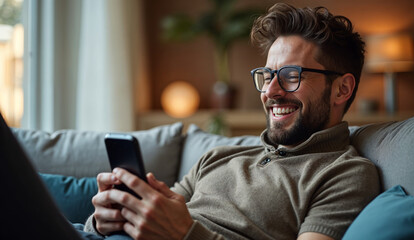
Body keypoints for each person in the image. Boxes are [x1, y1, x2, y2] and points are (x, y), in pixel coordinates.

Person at [83, 3, 380, 240]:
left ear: (342, 89)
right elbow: (160, 220)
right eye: (267, 76)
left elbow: (175, 229)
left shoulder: (344, 174)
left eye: (291, 76)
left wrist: (185, 234)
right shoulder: (217, 157)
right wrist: (105, 220)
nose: (270, 91)